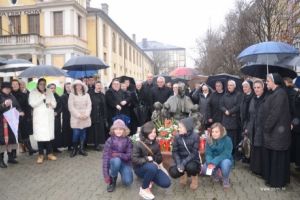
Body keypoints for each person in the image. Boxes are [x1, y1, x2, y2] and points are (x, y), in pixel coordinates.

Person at [263, 73, 291, 188]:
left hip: (277, 132)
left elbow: (275, 113)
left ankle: (277, 182)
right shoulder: (275, 93)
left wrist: (267, 126)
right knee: (274, 157)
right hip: (275, 132)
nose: (266, 83)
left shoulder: (280, 94)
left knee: (277, 158)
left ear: (274, 82)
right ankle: (273, 180)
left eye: (268, 81)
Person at [132, 121, 171, 200]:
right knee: (152, 167)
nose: (154, 134)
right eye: (151, 132)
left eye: (154, 132)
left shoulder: (156, 143)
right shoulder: (138, 144)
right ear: (146, 132)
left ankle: (149, 178)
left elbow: (159, 159)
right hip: (140, 169)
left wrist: (154, 158)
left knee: (167, 183)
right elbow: (134, 159)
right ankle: (144, 189)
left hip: (153, 167)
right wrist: (147, 159)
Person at [29, 78, 57, 164]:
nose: (42, 85)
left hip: (48, 117)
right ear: (38, 84)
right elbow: (32, 104)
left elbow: (55, 103)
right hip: (39, 118)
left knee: (48, 137)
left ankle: (49, 153)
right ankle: (40, 155)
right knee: (40, 137)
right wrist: (42, 97)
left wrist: (51, 104)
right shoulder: (33, 92)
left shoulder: (49, 91)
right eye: (41, 84)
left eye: (44, 84)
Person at [169, 117, 200, 190]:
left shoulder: (195, 136)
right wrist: (179, 163)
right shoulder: (177, 137)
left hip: (192, 159)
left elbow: (194, 153)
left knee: (191, 168)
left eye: (180, 127)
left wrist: (183, 163)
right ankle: (183, 175)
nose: (178, 129)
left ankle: (194, 178)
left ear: (187, 127)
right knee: (173, 172)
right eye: (178, 127)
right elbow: (175, 152)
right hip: (180, 158)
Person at [102, 119, 133, 192]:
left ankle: (122, 172)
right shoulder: (110, 140)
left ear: (124, 130)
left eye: (121, 129)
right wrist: (106, 175)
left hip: (124, 163)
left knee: (128, 182)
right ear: (113, 130)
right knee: (116, 161)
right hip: (114, 162)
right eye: (116, 129)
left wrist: (118, 154)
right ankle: (113, 180)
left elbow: (129, 156)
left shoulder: (128, 140)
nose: (118, 131)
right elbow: (106, 158)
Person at [201, 123, 233, 188]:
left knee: (226, 164)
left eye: (216, 132)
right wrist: (210, 162)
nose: (214, 134)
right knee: (204, 169)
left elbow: (226, 154)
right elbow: (208, 153)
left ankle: (225, 178)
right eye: (212, 132)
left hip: (224, 160)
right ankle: (215, 174)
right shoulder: (209, 140)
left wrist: (214, 162)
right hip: (212, 160)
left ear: (221, 132)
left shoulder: (227, 140)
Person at [11, 79, 37, 156]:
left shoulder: (23, 94)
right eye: (13, 84)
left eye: (16, 84)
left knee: (25, 133)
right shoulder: (10, 94)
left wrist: (29, 116)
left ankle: (30, 149)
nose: (15, 85)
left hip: (23, 118)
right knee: (14, 136)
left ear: (19, 86)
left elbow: (27, 106)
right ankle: (13, 153)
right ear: (11, 85)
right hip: (13, 118)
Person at [0, 82, 23, 168]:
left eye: (9, 88)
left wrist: (20, 111)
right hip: (2, 123)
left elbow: (17, 106)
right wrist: (4, 105)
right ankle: (1, 159)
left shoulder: (12, 96)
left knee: (12, 140)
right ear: (2, 88)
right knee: (2, 142)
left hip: (12, 122)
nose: (8, 89)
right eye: (6, 88)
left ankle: (11, 157)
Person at [246, 80, 266, 176]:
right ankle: (254, 168)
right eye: (255, 88)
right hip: (253, 127)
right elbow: (249, 114)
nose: (256, 89)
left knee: (260, 148)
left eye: (258, 87)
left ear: (263, 88)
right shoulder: (253, 99)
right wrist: (248, 127)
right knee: (254, 147)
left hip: (262, 128)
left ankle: (260, 170)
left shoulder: (266, 99)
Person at [68, 80, 92, 157]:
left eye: (80, 85)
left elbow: (89, 105)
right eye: (77, 85)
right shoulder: (71, 95)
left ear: (82, 86)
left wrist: (86, 114)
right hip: (76, 118)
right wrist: (79, 115)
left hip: (85, 116)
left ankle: (81, 149)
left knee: (83, 133)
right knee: (76, 134)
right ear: (74, 87)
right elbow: (71, 107)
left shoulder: (87, 95)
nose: (78, 87)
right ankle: (74, 149)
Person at [220, 80, 242, 158]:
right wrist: (225, 110)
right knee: (226, 137)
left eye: (231, 85)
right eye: (228, 85)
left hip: (234, 120)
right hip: (225, 120)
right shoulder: (225, 95)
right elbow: (221, 105)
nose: (229, 87)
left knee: (233, 138)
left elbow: (238, 106)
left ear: (234, 86)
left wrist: (230, 111)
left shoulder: (238, 95)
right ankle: (226, 153)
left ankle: (233, 154)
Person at [88, 81, 107, 151]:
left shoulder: (102, 95)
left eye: (100, 85)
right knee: (95, 130)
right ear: (95, 86)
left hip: (101, 115)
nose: (99, 86)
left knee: (100, 130)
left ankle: (98, 143)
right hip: (93, 114)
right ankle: (95, 145)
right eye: (97, 85)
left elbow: (104, 106)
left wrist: (105, 116)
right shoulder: (90, 94)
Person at [48, 83, 63, 153]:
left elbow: (61, 107)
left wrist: (57, 112)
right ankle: (49, 148)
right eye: (51, 88)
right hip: (48, 117)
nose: (53, 89)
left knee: (56, 132)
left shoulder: (58, 97)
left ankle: (55, 147)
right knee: (50, 132)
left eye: (54, 88)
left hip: (56, 117)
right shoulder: (46, 96)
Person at [61, 83, 73, 151]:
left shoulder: (74, 95)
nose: (69, 88)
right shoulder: (63, 96)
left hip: (73, 116)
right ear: (65, 88)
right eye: (67, 87)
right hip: (66, 116)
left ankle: (73, 144)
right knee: (67, 131)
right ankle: (68, 145)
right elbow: (66, 106)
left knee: (72, 131)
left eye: (70, 87)